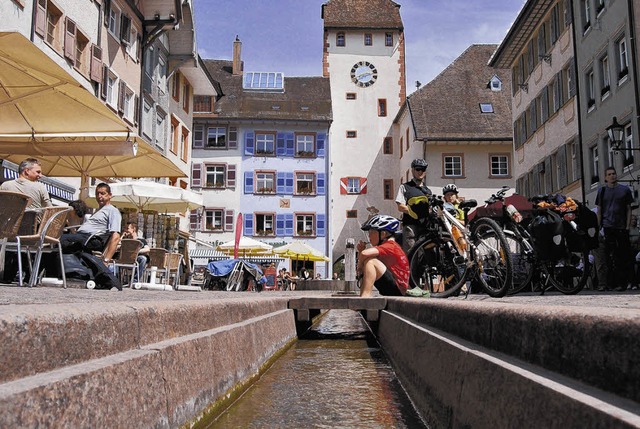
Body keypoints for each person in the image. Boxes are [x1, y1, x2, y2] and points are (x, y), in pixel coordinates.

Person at [60, 183, 122, 262]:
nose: (99, 196)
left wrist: (106, 260)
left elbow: (116, 237)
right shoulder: (97, 211)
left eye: (102, 193)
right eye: (97, 194)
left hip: (92, 239)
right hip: (83, 238)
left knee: (61, 239)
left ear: (110, 195)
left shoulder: (113, 211)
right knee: (54, 248)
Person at [595, 167, 633, 291]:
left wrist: (627, 226)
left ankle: (621, 283)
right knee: (608, 256)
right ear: (606, 177)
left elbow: (628, 209)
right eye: (609, 174)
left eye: (614, 174)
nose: (612, 176)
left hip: (621, 226)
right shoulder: (602, 191)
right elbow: (599, 210)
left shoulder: (624, 190)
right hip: (608, 226)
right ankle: (610, 283)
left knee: (621, 256)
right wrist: (598, 226)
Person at [356, 214, 409, 297]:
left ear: (383, 234)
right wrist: (360, 251)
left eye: (372, 232)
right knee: (367, 260)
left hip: (398, 289)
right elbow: (363, 254)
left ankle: (364, 297)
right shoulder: (388, 245)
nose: (369, 235)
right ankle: (363, 297)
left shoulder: (390, 245)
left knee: (371, 262)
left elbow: (364, 254)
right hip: (394, 287)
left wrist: (358, 268)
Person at [396, 158, 432, 254]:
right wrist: (414, 212)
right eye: (417, 169)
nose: (420, 171)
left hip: (425, 227)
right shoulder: (405, 187)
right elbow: (400, 206)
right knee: (410, 252)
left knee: (427, 253)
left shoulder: (428, 191)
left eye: (423, 169)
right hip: (410, 225)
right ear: (412, 170)